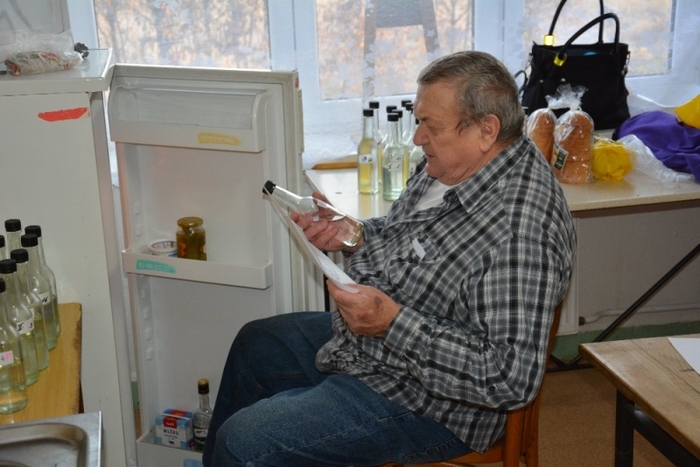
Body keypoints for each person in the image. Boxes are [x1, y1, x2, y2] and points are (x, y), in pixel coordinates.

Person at [202, 50, 576, 467]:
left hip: (436, 403)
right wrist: (355, 234)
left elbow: (509, 379)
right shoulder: (454, 164)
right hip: (383, 347)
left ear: (486, 130)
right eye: (419, 121)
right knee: (256, 344)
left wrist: (392, 324)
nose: (417, 138)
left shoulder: (520, 232)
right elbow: (412, 235)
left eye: (431, 126)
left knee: (242, 443)